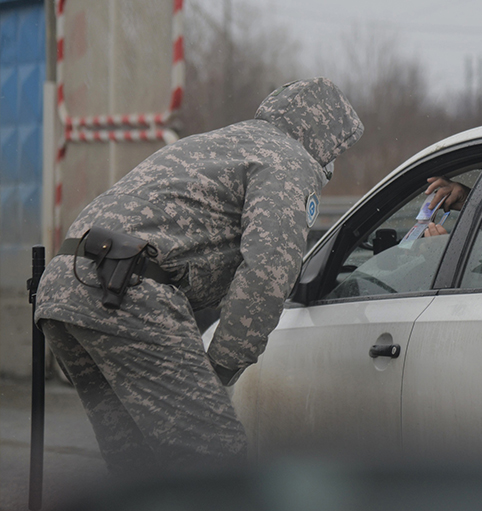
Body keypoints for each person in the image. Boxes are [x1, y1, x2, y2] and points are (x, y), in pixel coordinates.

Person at [34, 78, 364, 475]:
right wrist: (222, 364)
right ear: (326, 134)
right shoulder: (289, 160)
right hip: (127, 293)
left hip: (64, 285)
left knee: (135, 461)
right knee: (212, 457)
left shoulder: (220, 142)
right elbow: (267, 271)